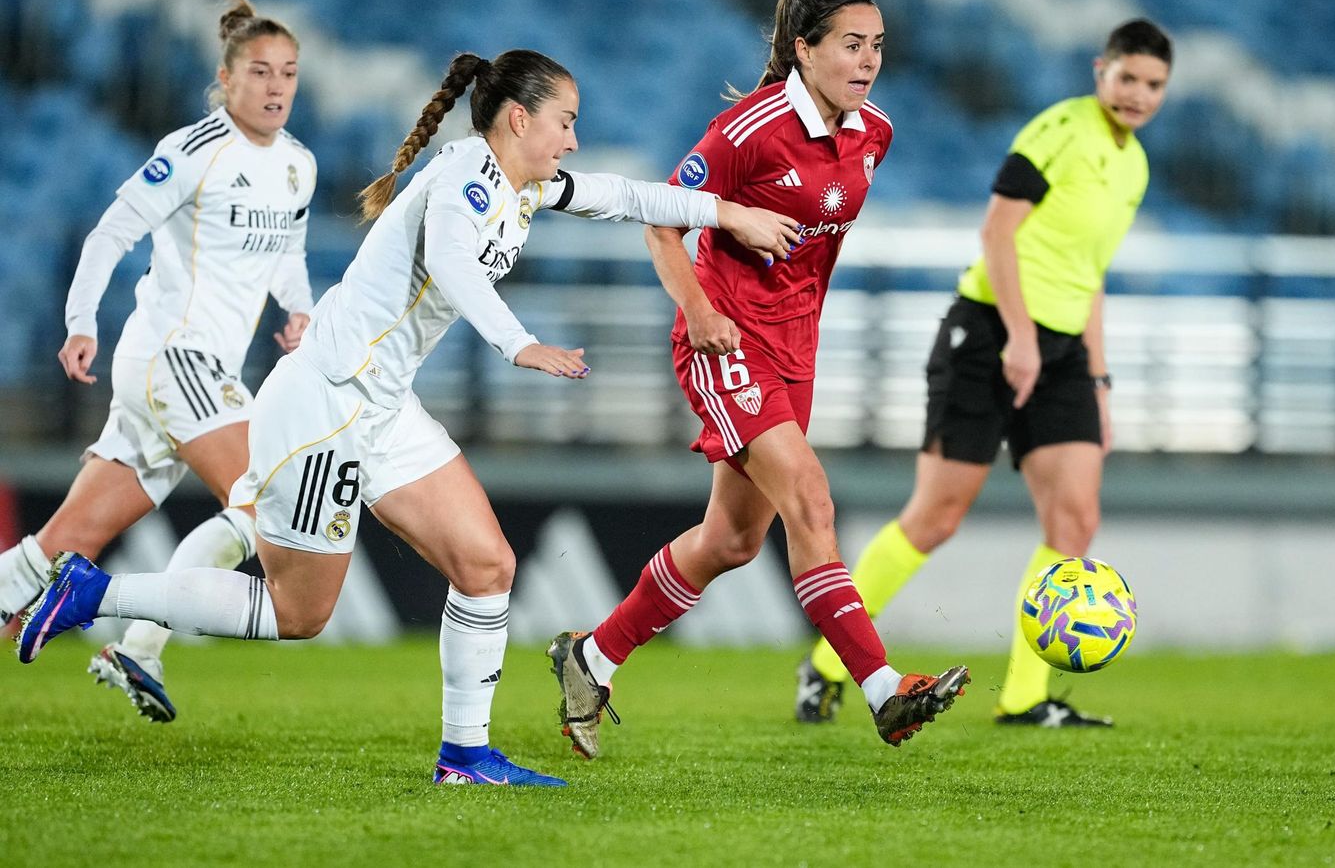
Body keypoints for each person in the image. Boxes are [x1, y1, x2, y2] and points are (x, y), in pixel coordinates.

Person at [17, 48, 802, 788]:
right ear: (517, 120)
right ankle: (95, 596)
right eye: (564, 119)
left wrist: (726, 213)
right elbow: (457, 266)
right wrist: (519, 343)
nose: (574, 136)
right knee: (297, 613)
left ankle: (464, 754)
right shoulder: (463, 177)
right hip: (330, 400)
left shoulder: (523, 183)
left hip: (383, 405)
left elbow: (628, 196)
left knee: (488, 566)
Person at [547, 0, 969, 761]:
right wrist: (702, 314)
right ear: (803, 50)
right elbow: (660, 223)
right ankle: (884, 690)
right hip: (725, 340)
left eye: (878, 44)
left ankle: (591, 658)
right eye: (852, 44)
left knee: (733, 540)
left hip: (796, 348)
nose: (869, 60)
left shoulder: (873, 132)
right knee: (811, 499)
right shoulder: (748, 130)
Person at [794, 18, 1172, 728]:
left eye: (1153, 85)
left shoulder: (1135, 165)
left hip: (1062, 355)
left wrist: (1098, 379)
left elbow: (1090, 277)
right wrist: (1021, 339)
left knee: (1075, 519)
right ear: (1102, 72)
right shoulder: (1058, 131)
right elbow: (997, 232)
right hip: (988, 333)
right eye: (1128, 78)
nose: (1138, 95)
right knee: (935, 518)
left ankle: (1026, 696)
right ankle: (823, 666)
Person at [0, 0, 314, 722]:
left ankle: (104, 627)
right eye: (260, 71)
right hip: (174, 359)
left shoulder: (298, 165)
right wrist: (81, 321)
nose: (276, 87)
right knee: (265, 497)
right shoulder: (194, 148)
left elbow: (287, 259)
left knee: (64, 539)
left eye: (289, 74)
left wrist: (298, 309)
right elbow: (111, 233)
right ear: (226, 77)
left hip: (200, 373)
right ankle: (141, 644)